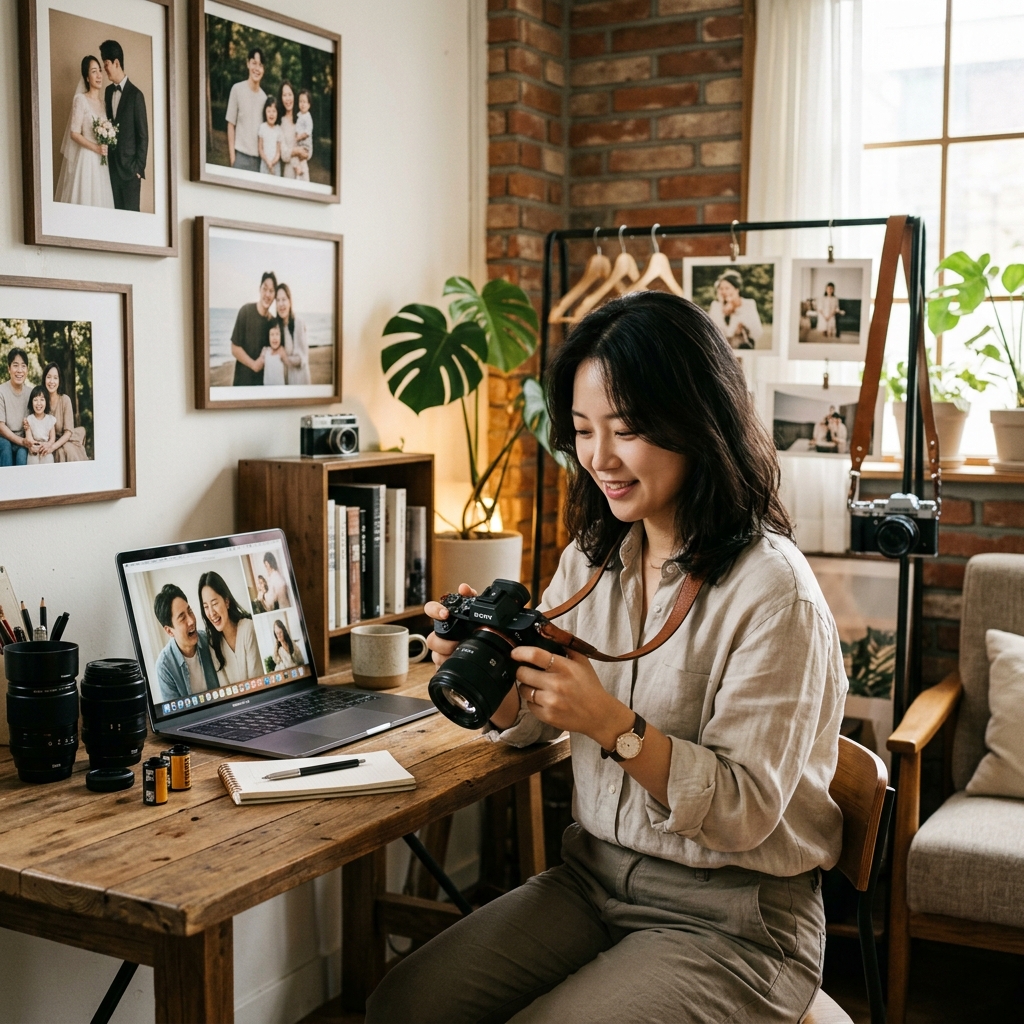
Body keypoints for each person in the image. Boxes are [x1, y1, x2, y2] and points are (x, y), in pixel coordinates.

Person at [367, 292, 847, 1024]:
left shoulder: (775, 594)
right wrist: (486, 668)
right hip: (592, 879)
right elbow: (534, 720)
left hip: (734, 920)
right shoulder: (594, 559)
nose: (599, 458)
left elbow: (744, 811)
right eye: (584, 431)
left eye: (625, 431)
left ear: (697, 421)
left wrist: (611, 725)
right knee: (405, 1006)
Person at [54, 56, 115, 209]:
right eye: (94, 72)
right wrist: (95, 148)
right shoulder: (80, 99)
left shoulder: (104, 104)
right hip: (86, 159)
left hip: (101, 163)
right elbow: (74, 133)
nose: (99, 75)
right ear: (87, 78)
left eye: (100, 71)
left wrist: (105, 143)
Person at [100, 40, 148, 212]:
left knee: (131, 222)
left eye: (106, 64)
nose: (104, 68)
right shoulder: (107, 92)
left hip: (130, 174)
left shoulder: (136, 95)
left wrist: (138, 169)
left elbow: (143, 136)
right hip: (111, 171)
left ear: (116, 63)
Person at [153, 584, 220, 702]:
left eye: (190, 611)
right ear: (169, 631)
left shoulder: (208, 641)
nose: (191, 620)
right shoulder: (164, 667)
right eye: (182, 618)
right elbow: (176, 712)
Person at [199, 571, 262, 686]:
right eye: (206, 607)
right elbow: (226, 689)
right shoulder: (213, 644)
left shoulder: (248, 629)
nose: (211, 613)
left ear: (226, 602)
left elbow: (256, 683)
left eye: (214, 603)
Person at [230, 271, 276, 386]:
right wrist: (253, 365)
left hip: (262, 386)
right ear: (259, 289)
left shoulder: (273, 323)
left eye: (271, 291)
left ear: (274, 296)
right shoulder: (245, 311)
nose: (267, 294)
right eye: (265, 289)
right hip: (242, 384)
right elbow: (234, 348)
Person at [225, 47, 267, 172]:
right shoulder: (237, 89)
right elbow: (231, 124)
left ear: (263, 69)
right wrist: (233, 158)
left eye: (260, 65)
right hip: (240, 157)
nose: (257, 68)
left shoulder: (265, 99)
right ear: (248, 63)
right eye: (254, 63)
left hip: (259, 161)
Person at [39, 362, 88, 463]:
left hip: (66, 440)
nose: (52, 381)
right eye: (49, 377)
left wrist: (53, 447)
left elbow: (68, 432)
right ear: (44, 379)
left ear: (59, 380)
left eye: (55, 378)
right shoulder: (40, 401)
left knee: (65, 451)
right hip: (47, 443)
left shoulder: (65, 400)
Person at [708, 269, 763, 350]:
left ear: (737, 289)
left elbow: (757, 332)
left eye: (727, 288)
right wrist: (722, 308)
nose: (724, 292)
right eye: (721, 289)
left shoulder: (748, 304)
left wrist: (736, 309)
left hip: (744, 349)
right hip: (723, 351)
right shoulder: (715, 306)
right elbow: (713, 333)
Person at [0, 348, 32, 468]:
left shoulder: (31, 393)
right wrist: (22, 441)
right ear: (9, 369)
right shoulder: (1, 391)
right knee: (6, 447)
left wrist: (25, 441)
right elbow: (1, 426)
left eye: (23, 366)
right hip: (3, 439)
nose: (19, 370)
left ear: (27, 370)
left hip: (23, 439)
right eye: (15, 365)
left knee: (22, 455)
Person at [274, 283, 310, 385]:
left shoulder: (298, 323)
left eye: (284, 299)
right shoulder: (277, 327)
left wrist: (284, 357)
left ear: (290, 301)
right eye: (278, 300)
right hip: (285, 382)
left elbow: (302, 358)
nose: (281, 304)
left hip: (299, 381)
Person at [23, 386, 56, 465]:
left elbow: (52, 438)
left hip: (46, 451)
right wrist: (33, 445)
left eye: (42, 399)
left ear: (46, 402)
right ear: (31, 402)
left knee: (48, 468)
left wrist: (48, 444)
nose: (38, 403)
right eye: (35, 400)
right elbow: (29, 437)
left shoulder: (50, 419)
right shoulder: (29, 419)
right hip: (33, 452)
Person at [291, 88, 314, 181]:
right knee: (297, 158)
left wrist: (299, 137)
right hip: (299, 142)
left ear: (309, 104)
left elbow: (308, 132)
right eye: (300, 101)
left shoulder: (308, 117)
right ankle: (299, 173)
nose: (302, 104)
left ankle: (304, 176)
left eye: (305, 102)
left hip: (305, 143)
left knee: (302, 158)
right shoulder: (299, 115)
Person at [257, 96, 283, 176]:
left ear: (277, 113)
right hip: (265, 164)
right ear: (265, 112)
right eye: (269, 111)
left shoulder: (278, 129)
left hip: (275, 165)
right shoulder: (262, 127)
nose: (271, 114)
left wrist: (272, 162)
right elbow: (260, 149)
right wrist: (267, 161)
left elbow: (278, 152)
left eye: (274, 111)